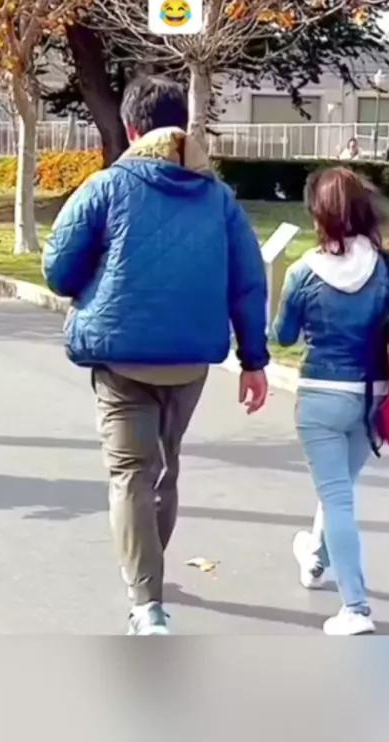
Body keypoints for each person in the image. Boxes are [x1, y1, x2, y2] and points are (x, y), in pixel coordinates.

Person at [43, 76, 269, 635]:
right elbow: (248, 282)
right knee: (164, 469)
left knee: (130, 474)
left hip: (120, 355)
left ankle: (146, 604)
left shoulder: (106, 186)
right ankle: (149, 578)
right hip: (190, 358)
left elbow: (58, 269)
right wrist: (254, 360)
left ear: (131, 128)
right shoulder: (218, 197)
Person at [272, 167, 389, 635]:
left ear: (318, 215)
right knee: (340, 487)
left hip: (321, 397)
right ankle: (314, 557)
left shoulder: (303, 272)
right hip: (373, 396)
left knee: (337, 497)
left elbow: (283, 336)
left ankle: (355, 608)